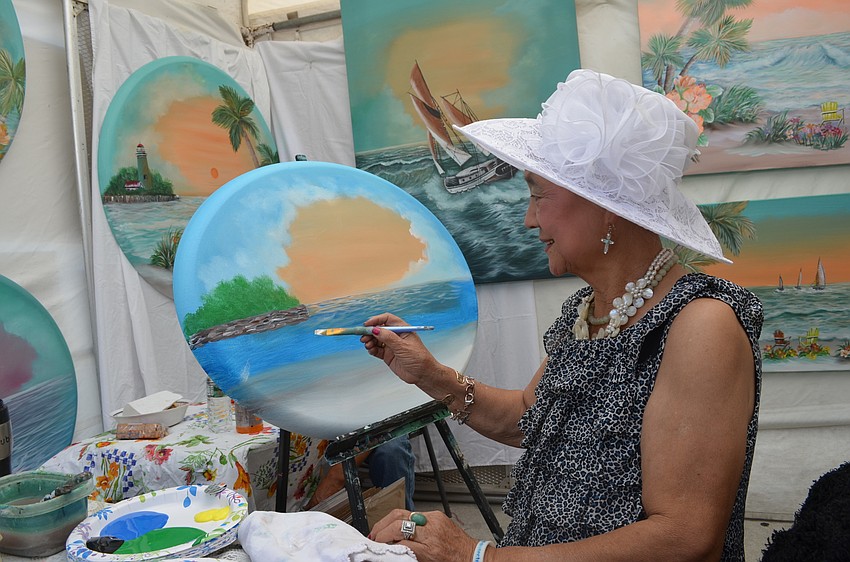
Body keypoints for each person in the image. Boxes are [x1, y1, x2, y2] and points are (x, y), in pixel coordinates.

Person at [362, 69, 763, 562]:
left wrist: (479, 557)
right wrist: (428, 373)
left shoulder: (699, 326)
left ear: (605, 206)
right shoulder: (591, 310)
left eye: (537, 194)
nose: (529, 218)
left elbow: (682, 537)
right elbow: (530, 420)